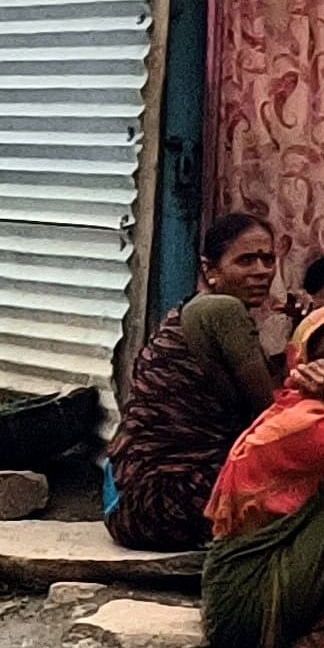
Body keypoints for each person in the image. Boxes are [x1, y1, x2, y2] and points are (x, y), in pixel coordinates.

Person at [106, 214, 278, 552]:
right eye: (246, 260)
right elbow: (270, 416)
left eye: (268, 259)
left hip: (134, 502)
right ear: (210, 268)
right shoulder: (222, 310)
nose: (261, 270)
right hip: (164, 503)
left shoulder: (187, 310)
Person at [203, 306, 324, 648]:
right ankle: (322, 643)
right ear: (306, 366)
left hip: (251, 594)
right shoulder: (304, 422)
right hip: (249, 606)